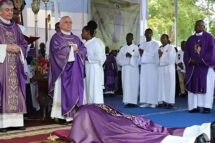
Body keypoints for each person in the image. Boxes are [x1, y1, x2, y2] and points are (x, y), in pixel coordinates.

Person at [52, 104, 215, 143]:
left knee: (151, 138)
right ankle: (206, 129)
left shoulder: (84, 113)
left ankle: (193, 141)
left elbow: (81, 137)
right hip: (131, 120)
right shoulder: (93, 106)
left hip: (121, 130)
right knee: (162, 129)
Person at [48, 16, 87, 122]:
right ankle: (60, 116)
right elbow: (56, 52)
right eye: (66, 22)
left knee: (75, 92)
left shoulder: (76, 38)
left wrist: (77, 50)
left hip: (75, 72)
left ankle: (74, 116)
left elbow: (83, 50)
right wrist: (71, 49)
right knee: (61, 93)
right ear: (60, 25)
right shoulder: (56, 38)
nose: (69, 24)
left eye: (70, 22)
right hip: (62, 72)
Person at [0, 0, 28, 131]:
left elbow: (24, 43)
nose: (10, 12)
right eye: (7, 10)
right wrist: (5, 47)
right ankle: (3, 123)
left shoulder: (16, 27)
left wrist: (19, 48)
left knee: (16, 89)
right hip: (2, 66)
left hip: (15, 65)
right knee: (3, 89)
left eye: (11, 10)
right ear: (0, 11)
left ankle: (16, 122)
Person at [184, 20, 215, 113]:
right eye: (197, 25)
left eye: (201, 25)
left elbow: (212, 51)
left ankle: (207, 106)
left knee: (208, 86)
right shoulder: (190, 39)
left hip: (205, 66)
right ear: (194, 26)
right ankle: (194, 106)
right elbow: (186, 52)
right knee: (194, 85)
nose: (199, 27)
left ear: (204, 27)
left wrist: (201, 60)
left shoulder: (209, 38)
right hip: (193, 67)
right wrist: (190, 60)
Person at [81, 20, 106, 104]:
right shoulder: (85, 43)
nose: (81, 34)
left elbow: (102, 58)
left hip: (94, 70)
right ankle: (89, 110)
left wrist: (88, 58)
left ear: (88, 33)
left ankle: (97, 111)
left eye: (83, 32)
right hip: (87, 70)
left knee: (94, 91)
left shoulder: (97, 42)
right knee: (88, 90)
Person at [116, 33, 139, 107]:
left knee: (133, 84)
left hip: (133, 69)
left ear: (132, 38)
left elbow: (138, 59)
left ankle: (133, 102)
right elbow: (118, 59)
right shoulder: (123, 48)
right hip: (125, 69)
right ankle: (127, 101)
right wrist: (126, 61)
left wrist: (131, 57)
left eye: (130, 37)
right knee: (126, 85)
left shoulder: (136, 48)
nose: (128, 39)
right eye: (127, 37)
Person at [139, 28, 159, 108]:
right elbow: (138, 55)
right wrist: (141, 54)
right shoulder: (142, 44)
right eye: (146, 33)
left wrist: (144, 53)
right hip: (144, 67)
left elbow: (154, 55)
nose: (148, 35)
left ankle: (154, 102)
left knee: (152, 84)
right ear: (144, 34)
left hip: (152, 66)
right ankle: (146, 101)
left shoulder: (155, 44)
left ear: (152, 34)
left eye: (149, 33)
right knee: (145, 83)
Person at [157, 34, 176, 108]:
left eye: (164, 38)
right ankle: (162, 101)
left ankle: (170, 102)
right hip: (161, 69)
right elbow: (156, 60)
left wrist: (162, 55)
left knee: (169, 85)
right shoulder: (159, 48)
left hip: (169, 69)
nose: (162, 39)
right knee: (161, 85)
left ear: (167, 39)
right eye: (161, 38)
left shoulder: (171, 48)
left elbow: (171, 60)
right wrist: (159, 56)